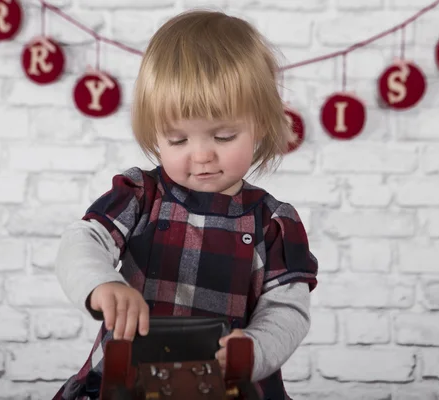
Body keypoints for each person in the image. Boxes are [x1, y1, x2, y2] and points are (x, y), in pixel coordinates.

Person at [52, 9, 318, 400]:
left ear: (260, 124)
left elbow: (287, 309)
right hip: (129, 382)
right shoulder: (141, 196)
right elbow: (83, 240)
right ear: (155, 134)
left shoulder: (273, 223)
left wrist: (255, 351)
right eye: (178, 140)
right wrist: (101, 283)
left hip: (229, 387)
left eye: (224, 136)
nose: (202, 155)